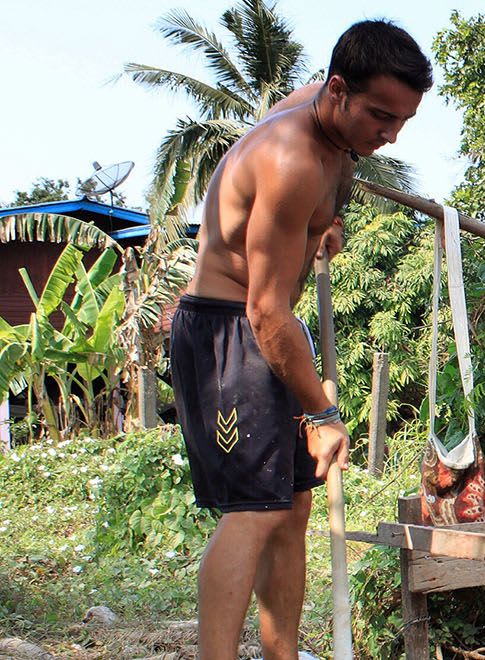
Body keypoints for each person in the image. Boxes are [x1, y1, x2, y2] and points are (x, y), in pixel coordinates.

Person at [169, 20, 431, 660]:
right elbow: (265, 310)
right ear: (338, 89)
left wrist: (321, 227)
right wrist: (323, 412)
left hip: (264, 328)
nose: (389, 133)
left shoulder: (327, 120)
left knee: (290, 512)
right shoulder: (292, 158)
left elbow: (292, 233)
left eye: (402, 121)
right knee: (254, 510)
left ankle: (282, 655)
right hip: (230, 336)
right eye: (379, 115)